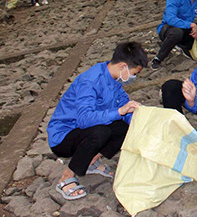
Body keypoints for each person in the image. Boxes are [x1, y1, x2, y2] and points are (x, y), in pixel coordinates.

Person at [47, 41, 147, 200]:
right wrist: (119, 111)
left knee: (125, 127)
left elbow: (124, 105)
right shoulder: (90, 81)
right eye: (135, 73)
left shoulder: (114, 80)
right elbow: (84, 119)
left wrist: (140, 120)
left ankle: (90, 161)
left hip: (86, 130)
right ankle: (67, 176)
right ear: (123, 66)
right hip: (64, 136)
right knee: (101, 132)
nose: (134, 77)